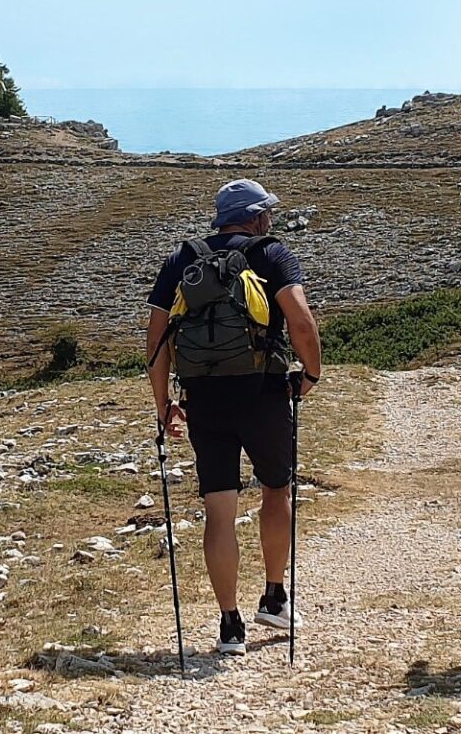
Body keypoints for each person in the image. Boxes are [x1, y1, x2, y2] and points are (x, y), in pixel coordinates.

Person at [146, 178, 322, 656]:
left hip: (203, 397)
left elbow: (157, 338)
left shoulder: (183, 259)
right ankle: (273, 595)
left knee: (219, 510)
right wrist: (311, 373)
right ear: (258, 216)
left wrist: (164, 403)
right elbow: (302, 321)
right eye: (268, 212)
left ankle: (229, 626)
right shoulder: (271, 253)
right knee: (276, 489)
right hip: (262, 391)